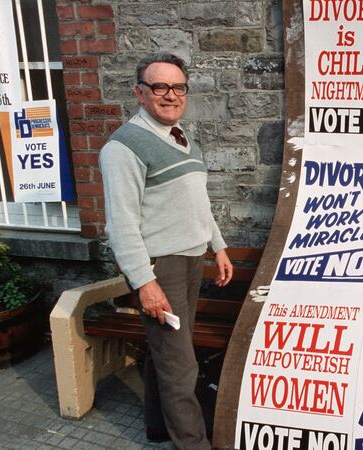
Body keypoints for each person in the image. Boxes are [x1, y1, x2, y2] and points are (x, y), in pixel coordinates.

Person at [99, 52, 233, 450]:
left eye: (178, 87)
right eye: (160, 86)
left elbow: (198, 203)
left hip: (191, 260)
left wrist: (219, 247)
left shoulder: (182, 138)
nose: (170, 95)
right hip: (162, 268)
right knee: (180, 363)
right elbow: (121, 226)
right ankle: (192, 444)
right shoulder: (123, 148)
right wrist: (145, 283)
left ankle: (158, 427)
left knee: (170, 351)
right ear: (140, 93)